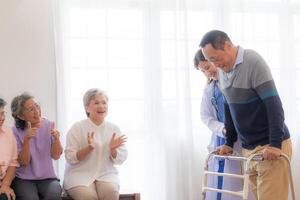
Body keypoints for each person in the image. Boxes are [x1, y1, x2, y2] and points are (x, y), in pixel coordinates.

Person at [200, 30, 292, 200]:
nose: (215, 65)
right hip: (249, 149)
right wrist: (229, 143)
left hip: (269, 146)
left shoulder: (252, 61)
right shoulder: (222, 72)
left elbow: (274, 105)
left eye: (215, 59)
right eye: (210, 60)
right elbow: (229, 109)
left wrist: (274, 144)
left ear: (227, 45)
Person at [194, 49, 244, 200]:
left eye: (208, 67)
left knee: (244, 181)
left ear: (215, 61)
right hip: (223, 138)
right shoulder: (210, 90)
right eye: (203, 71)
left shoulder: (234, 82)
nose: (207, 73)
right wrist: (222, 129)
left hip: (243, 139)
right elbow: (206, 116)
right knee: (223, 183)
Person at [64, 88, 128, 200]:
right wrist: (88, 148)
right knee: (87, 197)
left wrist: (113, 151)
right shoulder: (77, 128)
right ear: (86, 107)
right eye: (96, 103)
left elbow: (121, 159)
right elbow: (70, 157)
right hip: (79, 175)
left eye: (104, 102)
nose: (101, 106)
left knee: (111, 193)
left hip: (106, 175)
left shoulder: (114, 128)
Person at [10, 93, 63, 200]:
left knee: (54, 195)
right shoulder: (14, 131)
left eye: (37, 106)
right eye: (30, 109)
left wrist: (57, 139)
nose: (37, 111)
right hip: (24, 179)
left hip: (48, 177)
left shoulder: (49, 125)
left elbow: (56, 156)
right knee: (30, 198)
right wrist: (26, 140)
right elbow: (24, 162)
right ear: (20, 116)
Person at [0, 98, 19, 200]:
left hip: (3, 181)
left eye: (3, 113)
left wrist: (5, 185)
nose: (1, 118)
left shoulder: (9, 132)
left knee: (5, 197)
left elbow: (13, 163)